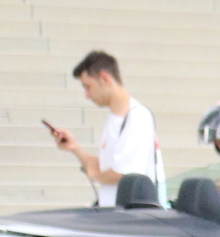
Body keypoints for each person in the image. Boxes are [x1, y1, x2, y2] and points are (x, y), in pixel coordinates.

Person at [48, 51, 160, 209]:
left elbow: (123, 174)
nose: (87, 95)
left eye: (88, 86)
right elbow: (108, 168)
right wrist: (75, 148)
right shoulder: (115, 119)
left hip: (129, 220)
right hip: (112, 215)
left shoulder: (138, 117)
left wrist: (94, 175)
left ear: (104, 78)